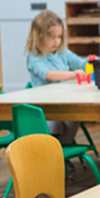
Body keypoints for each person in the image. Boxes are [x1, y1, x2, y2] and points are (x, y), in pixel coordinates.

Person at [25, 9, 87, 143]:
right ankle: (57, 150)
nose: (56, 41)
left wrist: (95, 61)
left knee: (75, 118)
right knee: (58, 123)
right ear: (39, 37)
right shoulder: (34, 57)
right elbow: (48, 74)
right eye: (51, 37)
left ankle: (64, 146)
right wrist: (72, 74)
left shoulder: (62, 53)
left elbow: (79, 63)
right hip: (46, 107)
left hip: (63, 102)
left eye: (59, 37)